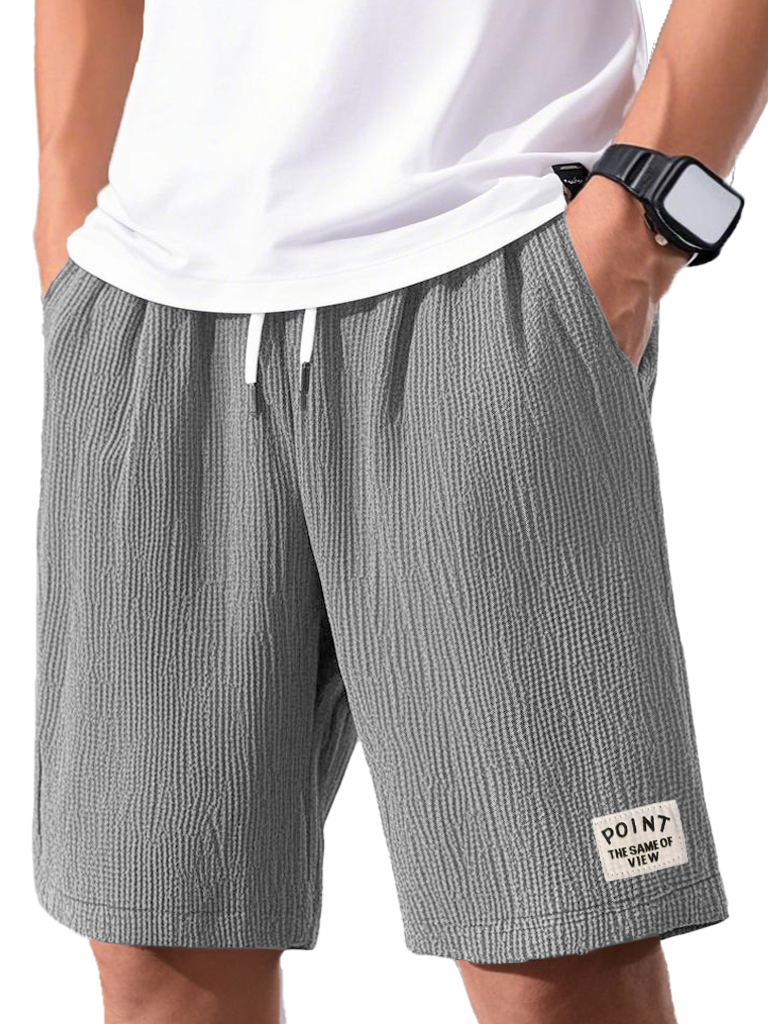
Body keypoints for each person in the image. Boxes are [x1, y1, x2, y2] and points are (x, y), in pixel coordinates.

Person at [32, 0, 764, 1021]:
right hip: (150, 293)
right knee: (158, 945)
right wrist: (65, 212)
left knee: (555, 954)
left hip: (483, 267)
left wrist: (642, 220)